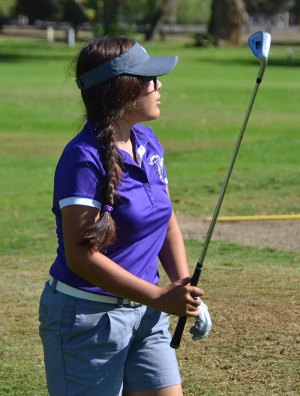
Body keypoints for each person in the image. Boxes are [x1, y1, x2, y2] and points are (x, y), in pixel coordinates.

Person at [38, 35, 211, 396]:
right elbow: (81, 256)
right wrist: (158, 296)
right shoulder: (82, 158)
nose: (159, 85)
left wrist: (182, 286)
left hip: (146, 315)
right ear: (123, 90)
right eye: (149, 79)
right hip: (87, 321)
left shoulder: (147, 141)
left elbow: (164, 218)